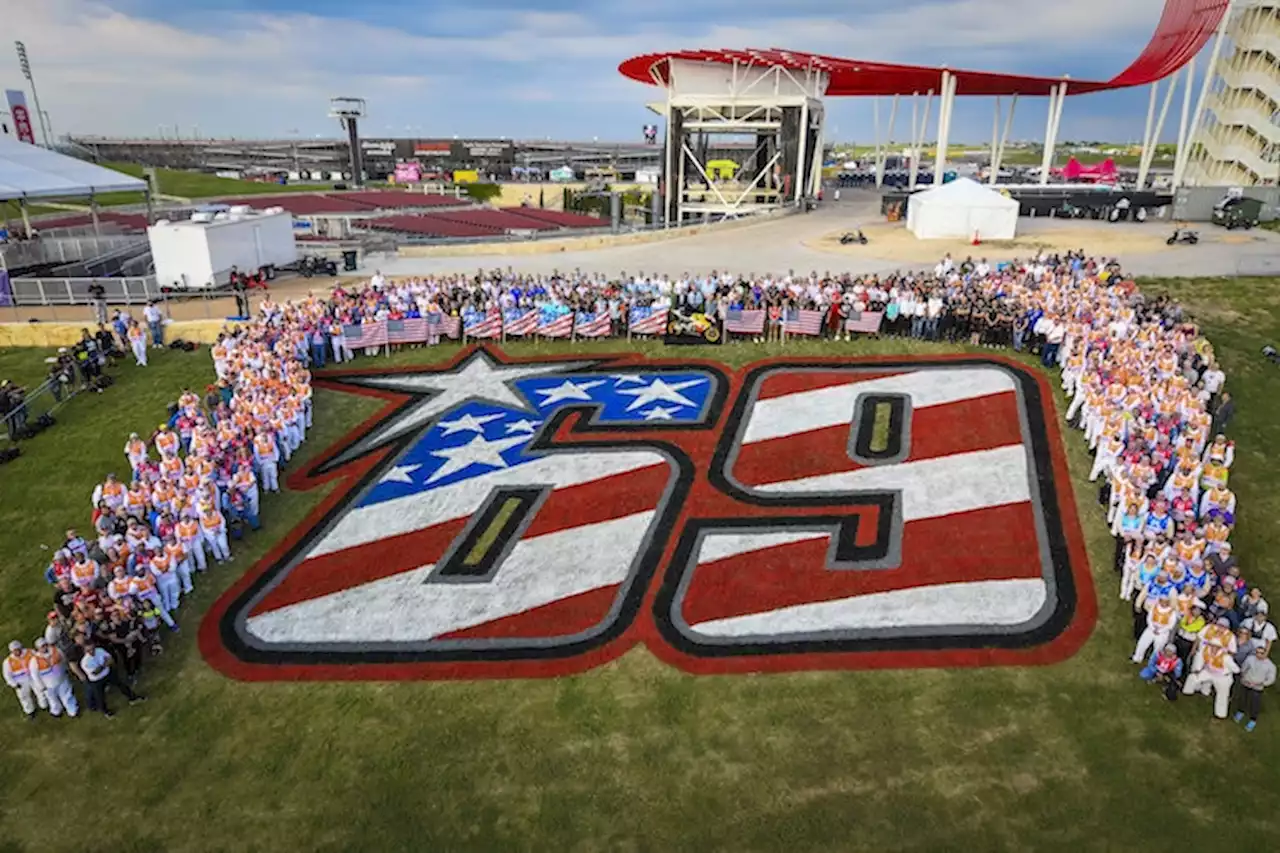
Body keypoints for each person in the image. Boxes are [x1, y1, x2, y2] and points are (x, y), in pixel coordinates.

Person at [78, 638, 144, 719]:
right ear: (84, 651)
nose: (92, 651)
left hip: (107, 673)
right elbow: (95, 672)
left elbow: (111, 659)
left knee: (121, 685)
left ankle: (133, 698)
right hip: (96, 680)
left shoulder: (100, 650)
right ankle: (106, 712)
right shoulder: (84, 662)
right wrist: (105, 664)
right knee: (100, 697)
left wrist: (102, 666)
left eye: (93, 649)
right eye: (88, 650)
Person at [28, 637, 78, 718]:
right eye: (42, 647)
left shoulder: (56, 651)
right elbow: (35, 675)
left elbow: (63, 659)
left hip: (62, 679)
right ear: (38, 649)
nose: (44, 648)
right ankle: (56, 711)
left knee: (67, 695)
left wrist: (66, 669)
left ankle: (73, 711)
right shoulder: (34, 660)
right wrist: (41, 686)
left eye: (45, 645)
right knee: (52, 699)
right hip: (48, 685)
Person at [1234, 646, 1276, 731]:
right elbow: (1243, 669)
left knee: (1255, 703)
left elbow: (1271, 679)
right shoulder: (1250, 659)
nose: (1258, 655)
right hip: (1246, 683)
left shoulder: (1270, 665)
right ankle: (1240, 711)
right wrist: (1244, 678)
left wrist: (1262, 683)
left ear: (1265, 653)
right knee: (1242, 698)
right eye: (1257, 652)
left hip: (1257, 686)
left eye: (1261, 653)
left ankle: (1253, 719)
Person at [3, 640, 47, 720]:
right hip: (20, 681)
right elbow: (7, 675)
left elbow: (39, 659)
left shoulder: (30, 652)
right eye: (14, 651)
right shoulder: (8, 662)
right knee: (24, 696)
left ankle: (44, 705)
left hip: (32, 676)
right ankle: (30, 711)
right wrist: (14, 684)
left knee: (40, 691)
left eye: (18, 649)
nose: (17, 652)